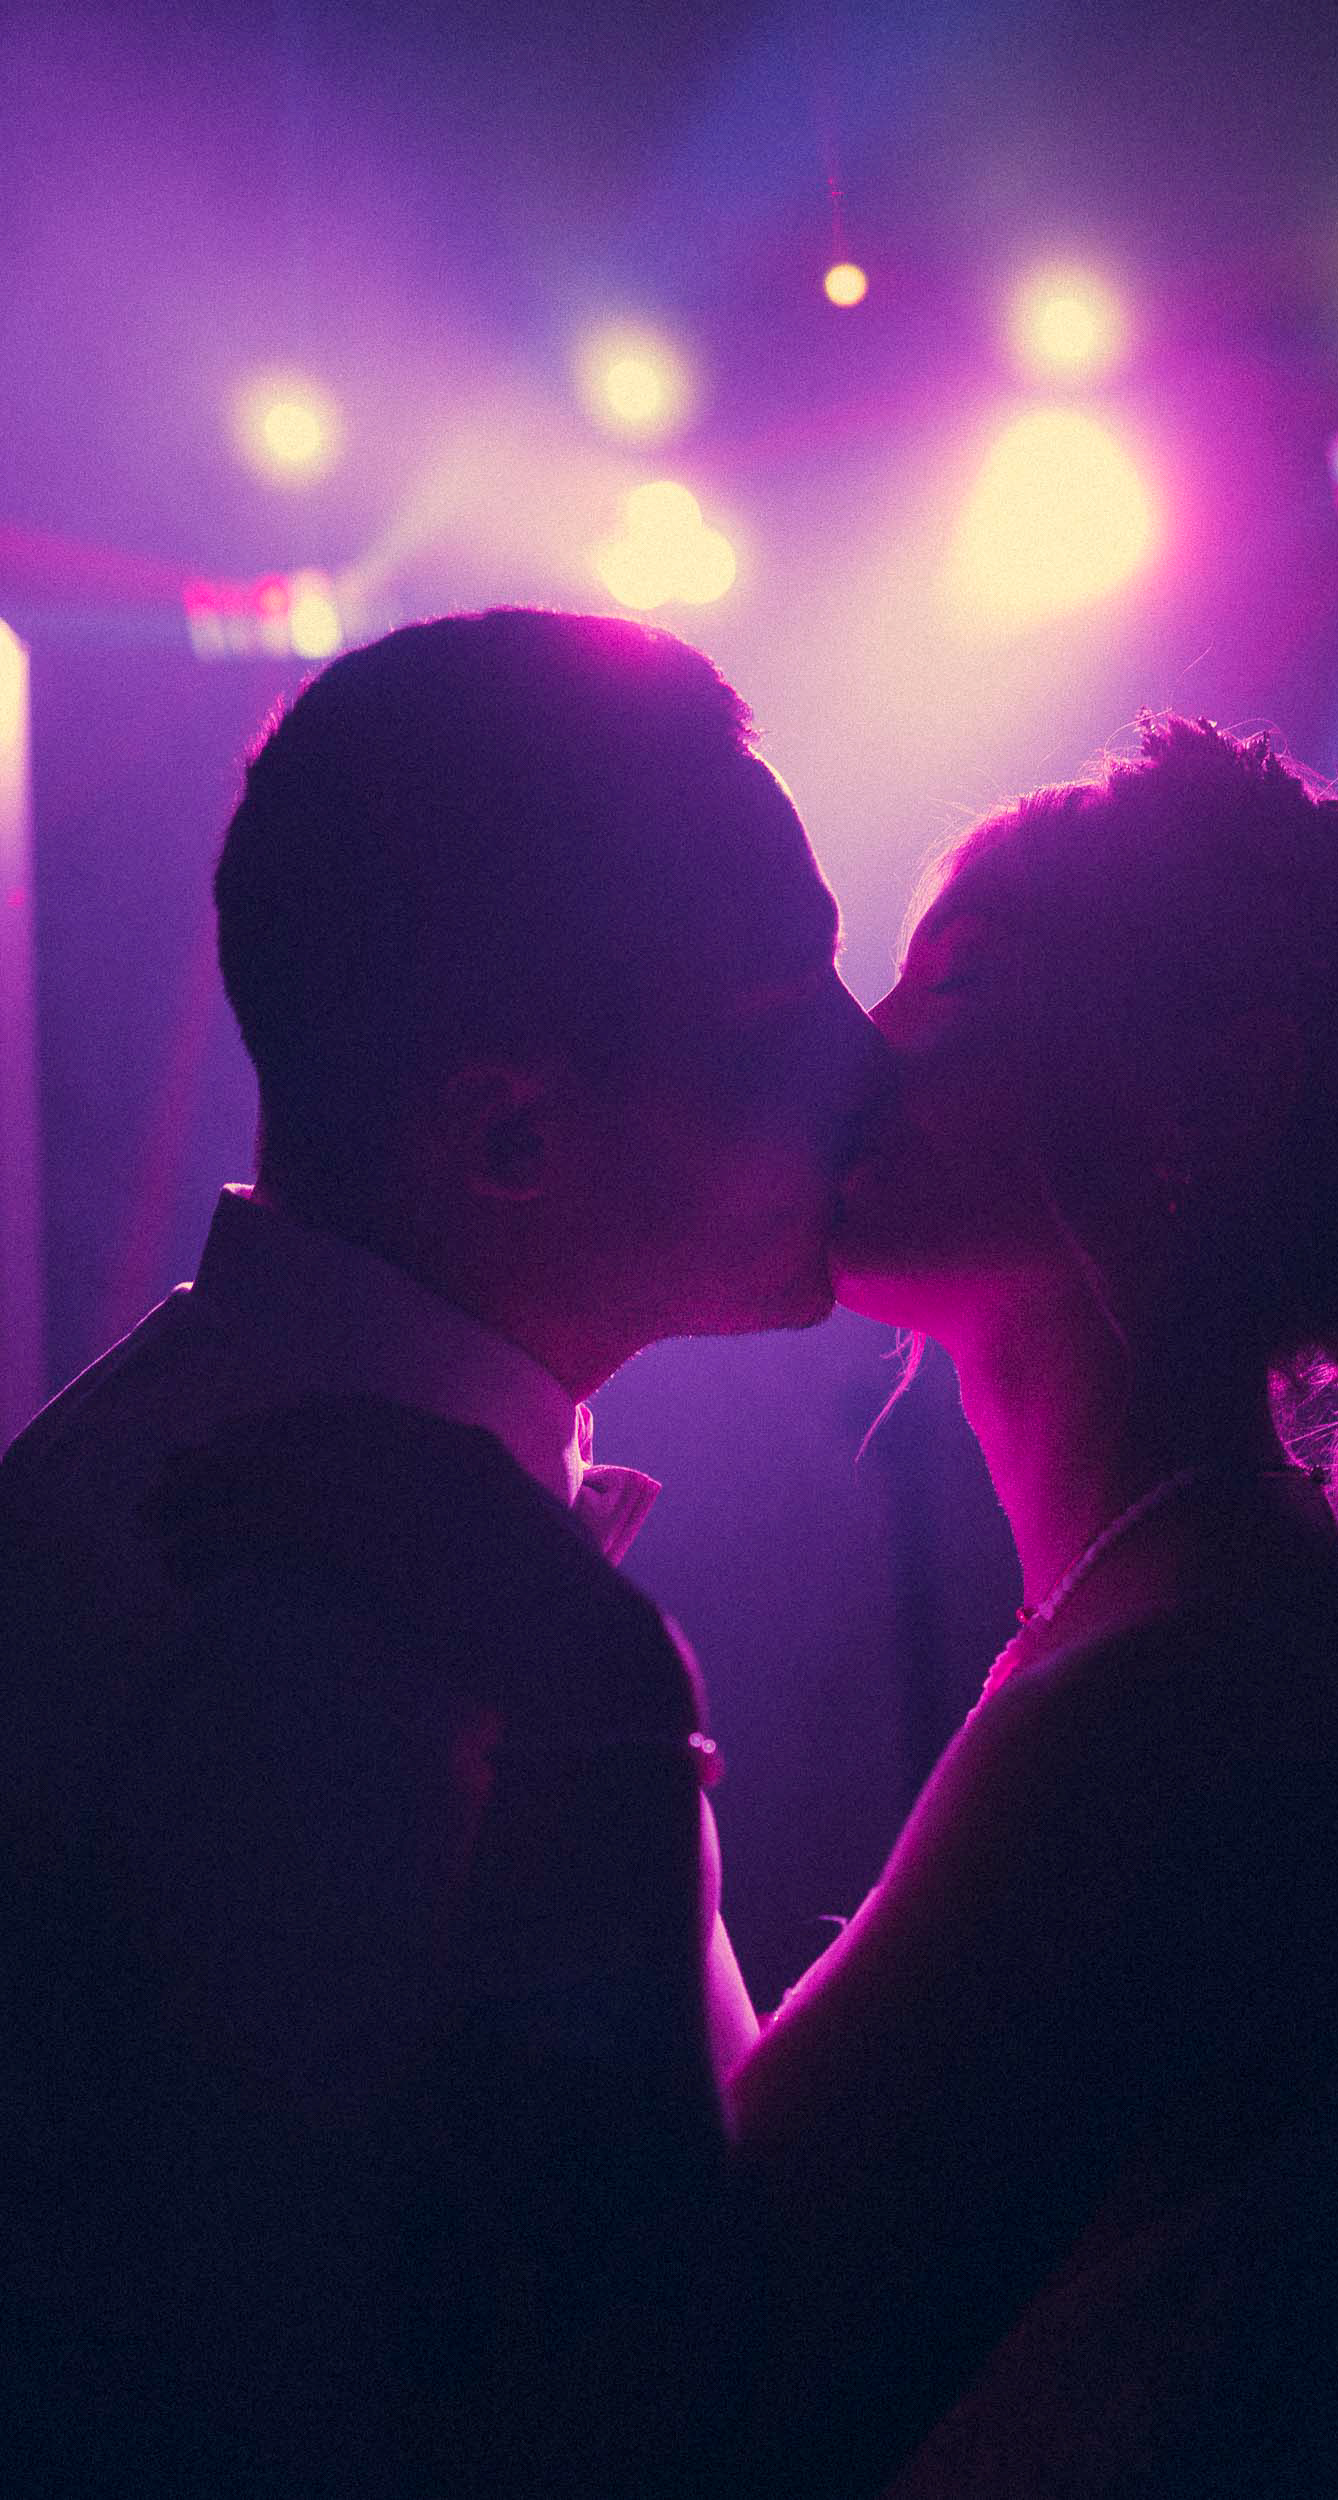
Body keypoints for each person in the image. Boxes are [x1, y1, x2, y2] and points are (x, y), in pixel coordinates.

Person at [0, 609, 884, 2498]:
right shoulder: (278, 1636)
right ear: (508, 1138)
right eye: (785, 1001)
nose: (867, 1063)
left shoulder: (312, 1508)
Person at [724, 716, 1338, 2498]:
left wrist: (554, 1671)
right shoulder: (1198, 1621)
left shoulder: (1178, 1691)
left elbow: (696, 2363)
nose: (857, 1046)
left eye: (952, 985)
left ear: (1207, 1098)